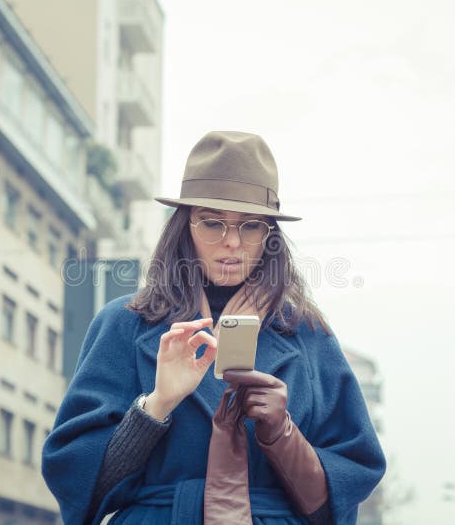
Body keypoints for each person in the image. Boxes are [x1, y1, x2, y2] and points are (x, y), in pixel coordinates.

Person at [42, 131, 386, 524]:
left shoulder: (309, 335)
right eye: (212, 223)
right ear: (184, 228)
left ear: (270, 235)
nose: (232, 243)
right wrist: (156, 406)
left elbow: (340, 501)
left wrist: (280, 432)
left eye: (251, 226)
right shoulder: (125, 323)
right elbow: (76, 484)